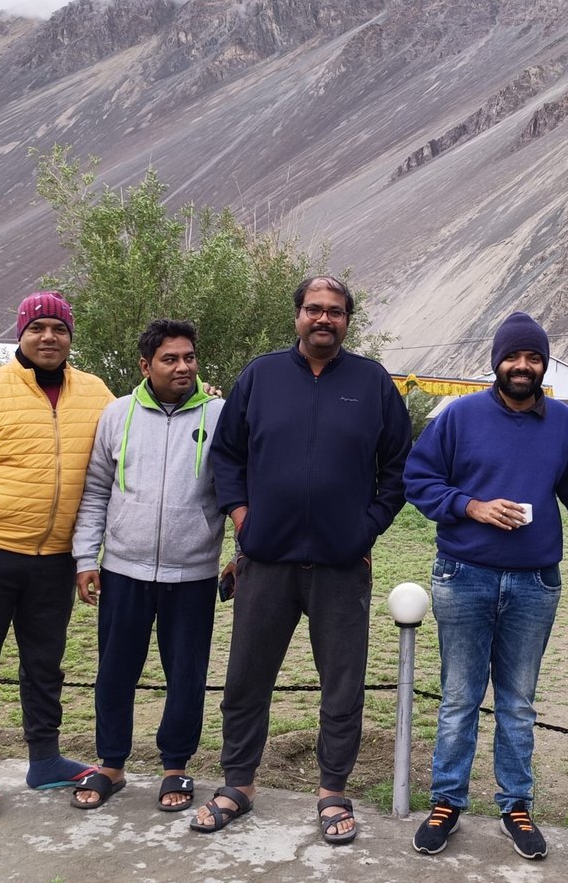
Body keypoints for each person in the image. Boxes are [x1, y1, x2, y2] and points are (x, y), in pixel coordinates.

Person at [198, 275, 412, 844]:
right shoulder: (260, 376)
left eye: (335, 311)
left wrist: (365, 529)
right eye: (314, 309)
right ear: (296, 315)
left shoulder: (372, 382)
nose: (324, 319)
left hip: (342, 566)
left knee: (342, 684)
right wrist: (242, 517)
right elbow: (227, 455)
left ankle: (332, 790)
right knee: (246, 677)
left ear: (347, 321)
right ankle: (238, 783)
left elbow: (398, 468)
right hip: (265, 560)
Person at [405, 311, 568, 861]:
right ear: (497, 362)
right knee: (460, 698)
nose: (523, 366)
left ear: (544, 365)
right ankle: (447, 802)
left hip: (535, 583)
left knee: (518, 702)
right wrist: (471, 506)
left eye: (533, 357)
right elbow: (418, 479)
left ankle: (516, 806)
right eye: (513, 356)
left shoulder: (562, 423)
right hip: (464, 575)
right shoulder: (459, 416)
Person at [0, 291, 114, 822]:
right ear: (21, 334)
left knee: (44, 666)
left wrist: (200, 396)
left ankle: (45, 759)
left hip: (54, 561)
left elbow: (132, 428)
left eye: (59, 328)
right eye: (38, 328)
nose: (48, 337)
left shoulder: (95, 393)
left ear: (70, 337)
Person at [68, 319, 225, 813]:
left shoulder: (221, 415)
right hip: (123, 571)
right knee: (115, 672)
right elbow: (96, 490)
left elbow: (237, 489)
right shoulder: (117, 414)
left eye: (189, 357)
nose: (183, 367)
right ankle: (111, 764)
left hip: (193, 574)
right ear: (145, 365)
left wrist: (240, 555)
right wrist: (85, 558)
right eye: (169, 359)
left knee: (187, 674)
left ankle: (176, 766)